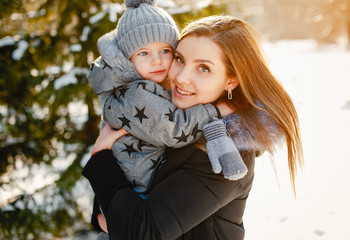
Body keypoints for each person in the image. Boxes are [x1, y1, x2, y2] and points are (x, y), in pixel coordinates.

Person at [83, 15, 304, 239]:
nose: (182, 78)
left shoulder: (225, 153)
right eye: (179, 59)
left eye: (204, 69)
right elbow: (106, 209)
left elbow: (140, 233)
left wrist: (101, 158)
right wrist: (110, 214)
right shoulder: (161, 115)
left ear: (231, 81)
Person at [88, 0, 248, 199]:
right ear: (127, 59)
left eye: (165, 51)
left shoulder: (150, 83)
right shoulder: (135, 93)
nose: (157, 61)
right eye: (144, 53)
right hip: (138, 189)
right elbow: (172, 129)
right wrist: (215, 111)